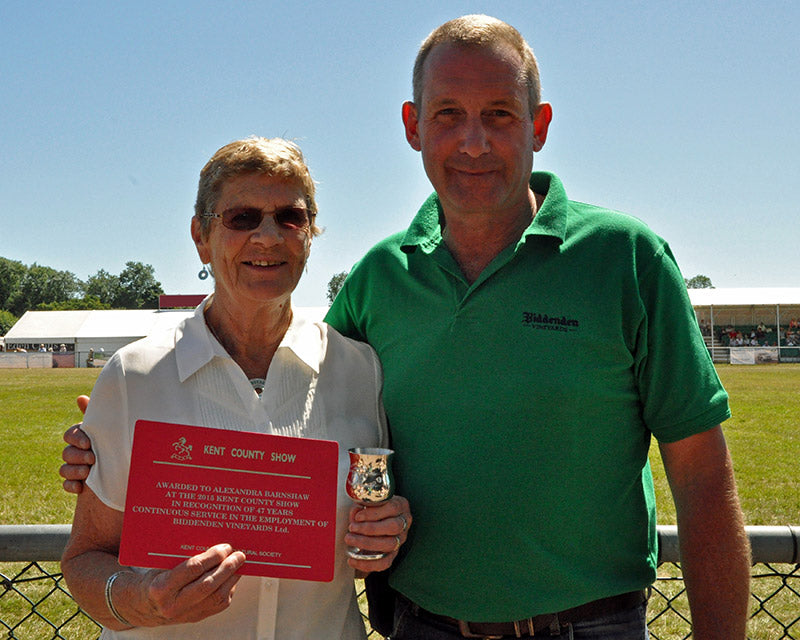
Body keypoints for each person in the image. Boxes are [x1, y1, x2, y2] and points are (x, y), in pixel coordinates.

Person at [63, 15, 750, 639]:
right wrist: (118, 445)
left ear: (538, 125)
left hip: (591, 625)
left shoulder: (625, 258)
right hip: (424, 628)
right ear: (412, 125)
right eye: (448, 113)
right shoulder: (378, 279)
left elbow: (701, 472)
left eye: (499, 114)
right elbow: (293, 408)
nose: (473, 141)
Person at [60, 136, 411, 640]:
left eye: (289, 217)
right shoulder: (135, 374)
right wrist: (143, 600)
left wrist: (380, 536)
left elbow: (355, 540)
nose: (268, 237)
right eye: (242, 218)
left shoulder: (360, 370)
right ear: (201, 237)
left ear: (310, 233)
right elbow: (84, 559)